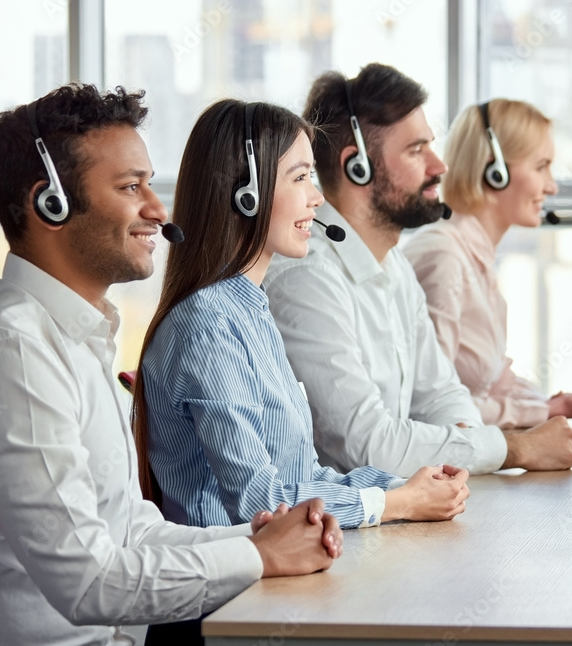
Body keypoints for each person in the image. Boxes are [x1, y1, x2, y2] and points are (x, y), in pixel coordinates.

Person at [0, 84, 342, 646]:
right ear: (49, 203)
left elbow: (128, 531)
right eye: (131, 188)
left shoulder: (71, 337)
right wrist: (261, 559)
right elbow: (89, 583)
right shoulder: (16, 356)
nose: (157, 209)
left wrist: (259, 541)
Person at [133, 99, 469, 536]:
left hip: (277, 571)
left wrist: (412, 486)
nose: (317, 197)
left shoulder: (250, 310)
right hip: (234, 591)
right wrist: (395, 502)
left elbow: (304, 478)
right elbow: (261, 502)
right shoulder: (207, 327)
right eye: (301, 177)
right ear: (246, 193)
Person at [264, 63, 572, 479]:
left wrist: (468, 450)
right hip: (339, 527)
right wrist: (512, 448)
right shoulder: (308, 278)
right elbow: (367, 443)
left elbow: (441, 393)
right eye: (416, 150)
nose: (439, 165)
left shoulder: (393, 266)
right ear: (357, 165)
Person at [403, 99, 572, 429]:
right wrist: (544, 411)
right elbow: (431, 406)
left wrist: (553, 404)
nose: (552, 185)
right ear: (495, 171)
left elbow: (492, 385)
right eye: (541, 166)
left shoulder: (476, 257)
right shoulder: (445, 258)